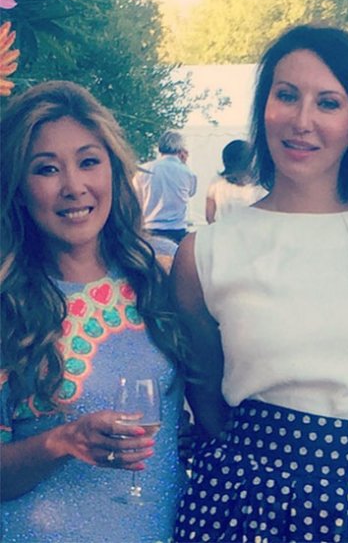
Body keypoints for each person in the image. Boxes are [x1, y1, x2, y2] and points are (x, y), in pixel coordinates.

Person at [172, 24, 348, 543]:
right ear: (264, 108)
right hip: (245, 508)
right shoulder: (206, 253)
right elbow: (204, 395)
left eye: (328, 103)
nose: (301, 121)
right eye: (287, 95)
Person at [0, 81, 189, 542]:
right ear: (19, 189)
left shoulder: (160, 276)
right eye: (47, 169)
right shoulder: (8, 301)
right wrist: (62, 441)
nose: (74, 186)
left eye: (88, 162)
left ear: (114, 171)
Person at [133, 130, 197, 244]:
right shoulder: (187, 173)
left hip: (148, 228)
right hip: (176, 229)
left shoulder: (143, 171)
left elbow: (136, 197)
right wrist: (184, 164)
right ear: (181, 149)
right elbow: (191, 193)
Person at [205, 139, 267, 223]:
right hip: (249, 230)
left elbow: (209, 216)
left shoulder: (216, 182)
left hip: (224, 229)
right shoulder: (259, 186)